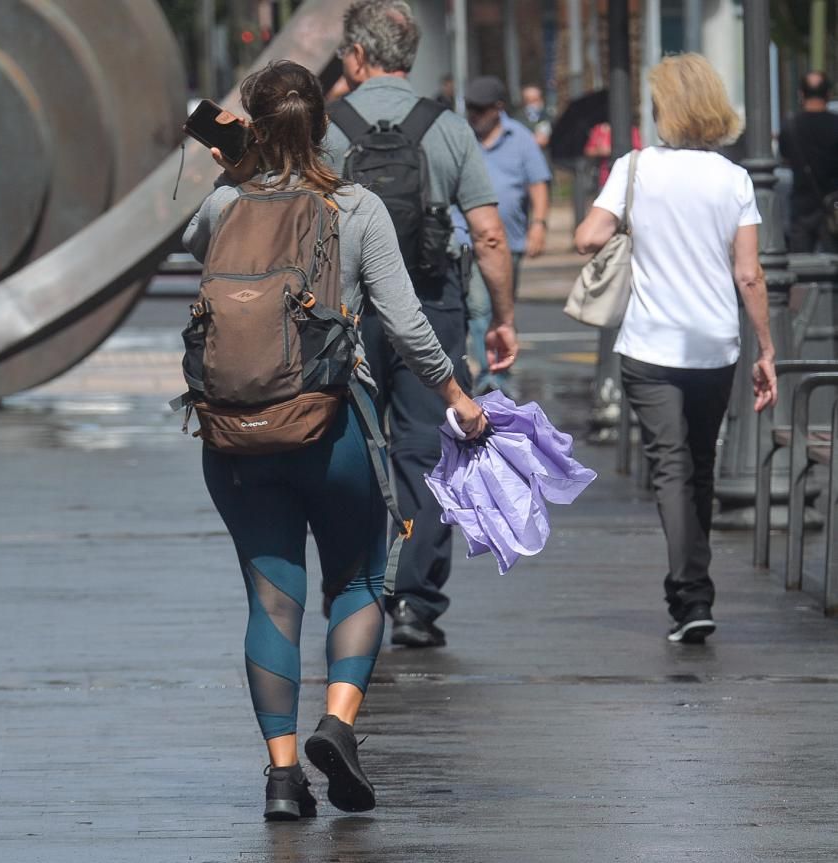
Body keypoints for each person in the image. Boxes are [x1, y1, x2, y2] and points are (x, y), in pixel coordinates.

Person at [182, 60, 487, 819]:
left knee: (270, 598)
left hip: (237, 435)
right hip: (335, 425)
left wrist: (238, 169)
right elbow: (408, 323)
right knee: (357, 583)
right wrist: (455, 395)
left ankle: (282, 776)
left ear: (251, 127)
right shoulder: (356, 206)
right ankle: (339, 724)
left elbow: (198, 250)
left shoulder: (222, 207)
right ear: (322, 125)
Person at [324, 0, 519, 649]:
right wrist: (503, 317)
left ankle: (354, 590)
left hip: (348, 308)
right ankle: (416, 601)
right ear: (407, 58)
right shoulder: (450, 128)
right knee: (426, 450)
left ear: (356, 56)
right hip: (430, 303)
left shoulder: (328, 128)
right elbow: (489, 235)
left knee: (345, 447)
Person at [574, 53, 777, 644]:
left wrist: (632, 226)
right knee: (700, 465)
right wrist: (766, 349)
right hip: (715, 345)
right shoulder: (733, 178)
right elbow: (749, 275)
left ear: (665, 107)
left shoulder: (634, 168)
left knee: (670, 466)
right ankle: (693, 593)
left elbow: (589, 236)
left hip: (649, 345)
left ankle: (690, 596)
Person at [454, 76, 551, 395]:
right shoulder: (461, 136)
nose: (474, 115)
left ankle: (499, 370)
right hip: (468, 240)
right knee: (480, 307)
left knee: (502, 308)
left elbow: (537, 184)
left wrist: (538, 224)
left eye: (480, 109)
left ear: (498, 108)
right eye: (470, 108)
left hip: (509, 242)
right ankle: (489, 375)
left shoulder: (520, 138)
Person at [779, 71, 838, 253]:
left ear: (801, 95)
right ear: (828, 94)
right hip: (833, 206)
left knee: (800, 265)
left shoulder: (791, 126)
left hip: (801, 206)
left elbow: (785, 156)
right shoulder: (836, 125)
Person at [585, 120, 642, 190]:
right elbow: (588, 150)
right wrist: (600, 151)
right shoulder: (599, 129)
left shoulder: (632, 130)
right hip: (605, 179)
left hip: (629, 179)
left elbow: (638, 151)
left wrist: (616, 150)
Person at [514, 84, 553, 150]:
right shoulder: (516, 121)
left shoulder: (549, 118)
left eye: (535, 100)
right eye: (528, 101)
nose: (532, 104)